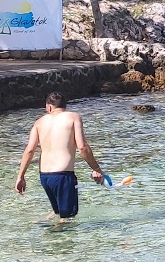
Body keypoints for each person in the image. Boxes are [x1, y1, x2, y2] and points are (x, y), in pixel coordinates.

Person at [13, 92, 106, 220]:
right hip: (63, 176)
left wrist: (20, 176)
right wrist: (96, 169)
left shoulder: (39, 123)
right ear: (64, 106)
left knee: (58, 213)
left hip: (45, 177)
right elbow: (83, 147)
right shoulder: (73, 117)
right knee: (68, 219)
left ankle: (43, 228)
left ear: (49, 107)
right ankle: (54, 236)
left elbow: (29, 150)